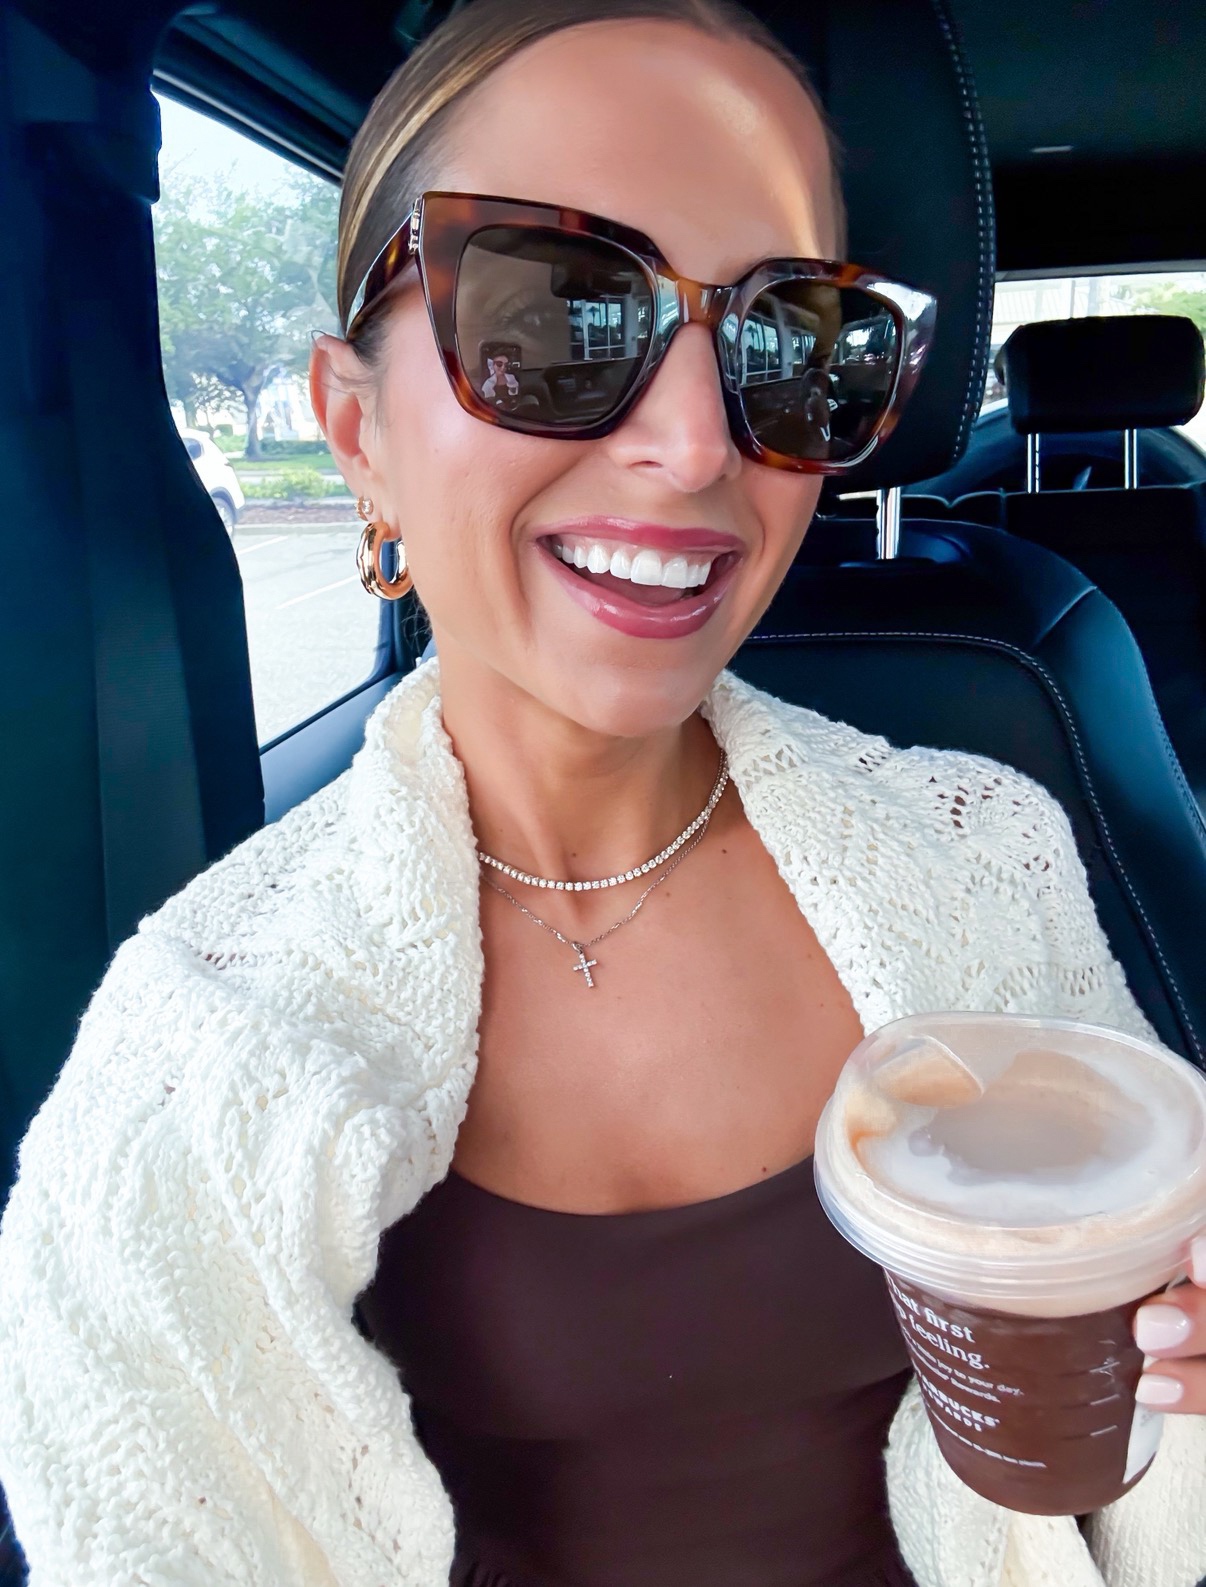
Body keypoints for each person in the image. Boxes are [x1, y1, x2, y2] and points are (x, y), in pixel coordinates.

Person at [1, 3, 1204, 1585]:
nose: (695, 441)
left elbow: (1136, 1466)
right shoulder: (188, 1061)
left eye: (795, 345)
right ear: (356, 427)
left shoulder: (988, 858)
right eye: (559, 315)